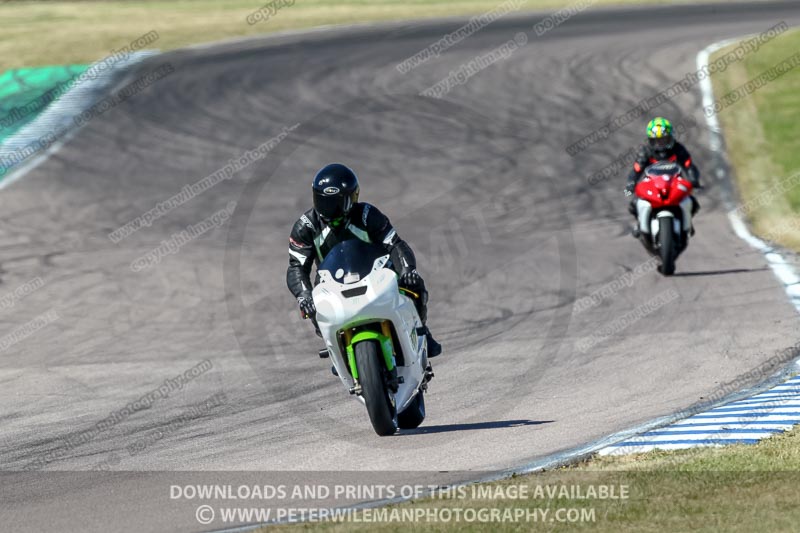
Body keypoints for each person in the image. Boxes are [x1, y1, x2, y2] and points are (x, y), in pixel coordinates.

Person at [286, 163, 442, 357]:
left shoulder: (367, 214)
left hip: (376, 274)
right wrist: (304, 296)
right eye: (323, 201)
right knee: (314, 306)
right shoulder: (306, 226)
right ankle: (337, 349)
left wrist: (408, 270)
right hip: (332, 282)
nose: (329, 209)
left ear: (352, 198)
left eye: (336, 202)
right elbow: (296, 267)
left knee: (413, 283)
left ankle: (422, 331)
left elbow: (394, 244)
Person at [624, 117, 701, 235]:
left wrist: (693, 180)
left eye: (664, 139)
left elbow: (689, 165)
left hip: (675, 182)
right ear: (651, 140)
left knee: (693, 202)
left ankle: (687, 224)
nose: (661, 144)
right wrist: (630, 185)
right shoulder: (645, 151)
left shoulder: (678, 149)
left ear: (671, 137)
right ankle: (640, 224)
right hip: (652, 184)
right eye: (657, 141)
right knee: (633, 204)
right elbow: (636, 170)